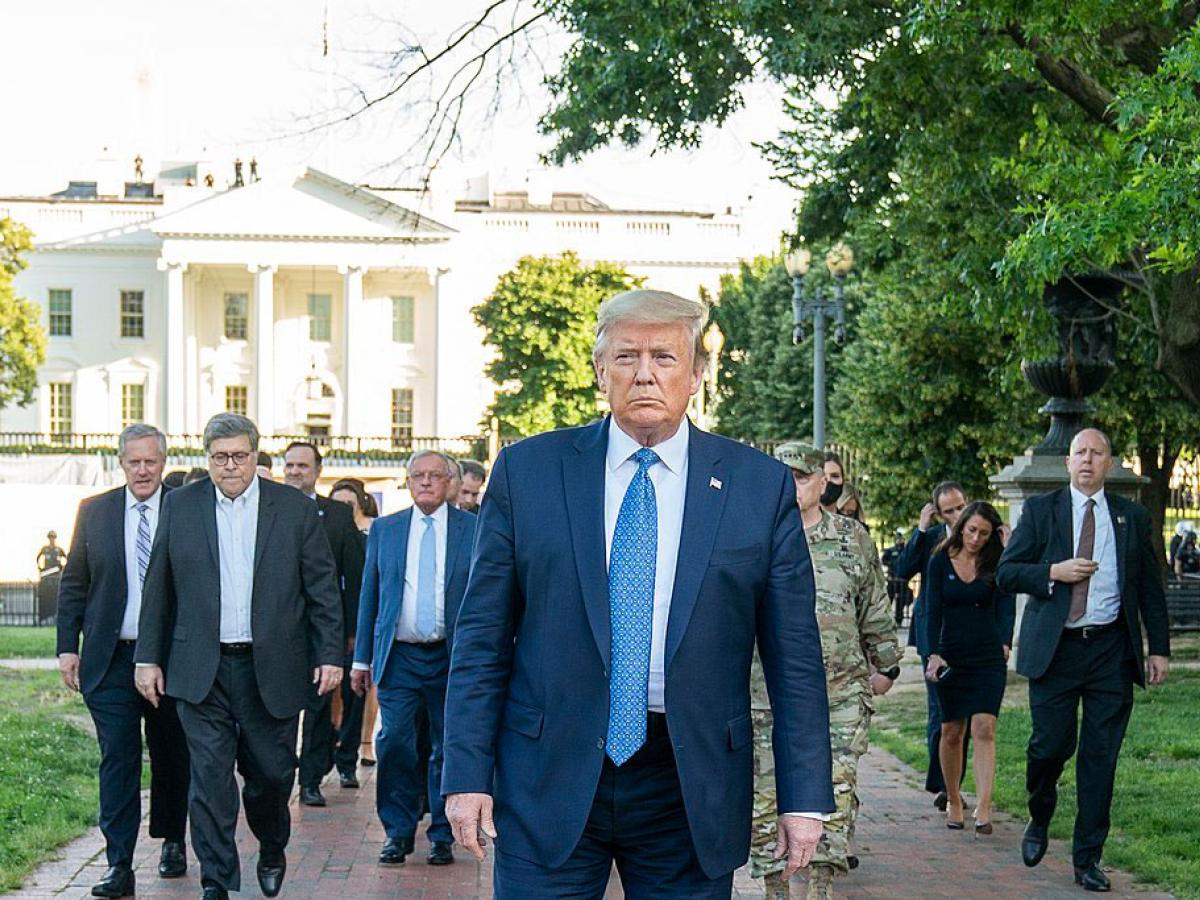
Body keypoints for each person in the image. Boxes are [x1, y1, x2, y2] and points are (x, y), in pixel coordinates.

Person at [442, 289, 834, 899]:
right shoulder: (528, 472)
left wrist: (804, 796)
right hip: (548, 773)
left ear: (697, 375)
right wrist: (465, 775)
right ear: (600, 371)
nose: (644, 373)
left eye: (664, 357)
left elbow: (796, 662)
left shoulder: (758, 487)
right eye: (626, 357)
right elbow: (481, 641)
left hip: (690, 781)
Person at [134, 413, 343, 900]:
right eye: (219, 458)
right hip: (199, 670)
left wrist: (330, 652)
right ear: (207, 459)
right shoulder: (181, 505)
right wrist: (148, 657)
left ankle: (272, 845)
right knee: (208, 782)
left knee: (270, 775)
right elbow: (157, 587)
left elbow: (322, 589)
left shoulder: (291, 509)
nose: (229, 466)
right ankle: (217, 881)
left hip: (270, 668)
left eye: (239, 456)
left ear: (255, 455)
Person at [998, 428, 1170, 892]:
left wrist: (1159, 649)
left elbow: (1150, 588)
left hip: (1111, 650)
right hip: (1057, 651)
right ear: (1069, 462)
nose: (1088, 460)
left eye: (1097, 453)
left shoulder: (1131, 517)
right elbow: (1006, 573)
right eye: (1080, 453)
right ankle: (1040, 811)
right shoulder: (1042, 510)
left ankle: (1087, 859)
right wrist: (1053, 572)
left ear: (1109, 463)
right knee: (1048, 747)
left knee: (1101, 759)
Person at [751, 441, 901, 900]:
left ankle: (820, 888)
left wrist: (887, 664)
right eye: (784, 475)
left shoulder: (851, 537)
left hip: (839, 692)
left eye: (800, 477)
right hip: (764, 693)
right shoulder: (755, 534)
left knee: (834, 794)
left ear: (823, 482)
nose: (791, 485)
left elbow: (872, 600)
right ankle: (774, 888)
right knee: (765, 797)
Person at [56, 425, 191, 899]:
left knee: (172, 754)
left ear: (163, 462)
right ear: (121, 463)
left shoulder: (185, 507)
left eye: (151, 461)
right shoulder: (95, 512)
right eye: (134, 461)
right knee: (119, 758)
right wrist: (67, 646)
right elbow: (74, 581)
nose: (143, 469)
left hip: (170, 659)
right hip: (110, 658)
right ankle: (119, 863)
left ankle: (173, 838)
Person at [351, 450, 477, 867]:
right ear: (407, 482)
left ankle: (441, 834)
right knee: (395, 744)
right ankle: (398, 831)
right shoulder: (386, 530)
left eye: (434, 476)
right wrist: (362, 660)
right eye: (417, 476)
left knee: (447, 746)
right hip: (400, 657)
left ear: (450, 483)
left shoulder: (473, 530)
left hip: (450, 656)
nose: (425, 482)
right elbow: (370, 596)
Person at [923, 501, 1015, 836]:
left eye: (984, 533)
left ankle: (985, 805)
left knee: (984, 728)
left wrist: (1005, 640)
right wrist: (932, 654)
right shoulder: (939, 561)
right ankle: (954, 799)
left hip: (988, 655)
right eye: (972, 529)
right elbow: (931, 611)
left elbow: (1007, 604)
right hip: (951, 654)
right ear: (962, 526)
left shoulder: (996, 561)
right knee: (951, 732)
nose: (976, 538)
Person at [283, 441, 366, 801]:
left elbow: (351, 577)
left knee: (318, 709)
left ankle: (310, 780)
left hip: (319, 630)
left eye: (303, 466)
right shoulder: (266, 507)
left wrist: (348, 632)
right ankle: (278, 776)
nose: (295, 472)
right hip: (278, 629)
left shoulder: (335, 515)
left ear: (317, 471)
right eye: (290, 466)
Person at [896, 480, 971, 809]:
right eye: (949, 510)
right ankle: (943, 785)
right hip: (934, 634)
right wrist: (921, 530)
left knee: (965, 714)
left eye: (960, 506)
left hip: (969, 634)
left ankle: (955, 783)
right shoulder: (932, 538)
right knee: (940, 711)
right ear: (939, 513)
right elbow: (903, 569)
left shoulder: (979, 534)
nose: (957, 514)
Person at [329, 478, 380, 774]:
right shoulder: (317, 538)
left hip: (353, 632)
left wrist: (355, 634)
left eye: (348, 505)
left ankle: (348, 757)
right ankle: (324, 751)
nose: (343, 511)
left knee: (355, 694)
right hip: (324, 632)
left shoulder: (368, 540)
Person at [882, 530, 913, 626]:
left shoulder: (906, 550)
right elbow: (884, 560)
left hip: (902, 579)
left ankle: (899, 620)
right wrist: (890, 565)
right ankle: (885, 619)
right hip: (892, 578)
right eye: (898, 539)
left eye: (901, 539)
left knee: (901, 600)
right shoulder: (891, 550)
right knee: (888, 599)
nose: (899, 541)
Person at [36, 529, 68, 623]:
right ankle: (44, 618)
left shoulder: (59, 550)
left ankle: (55, 617)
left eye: (53, 537)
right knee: (46, 596)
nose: (52, 539)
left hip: (56, 576)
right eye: (50, 537)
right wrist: (40, 568)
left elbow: (66, 559)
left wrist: (62, 568)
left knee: (57, 596)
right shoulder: (45, 549)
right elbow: (38, 558)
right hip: (46, 576)